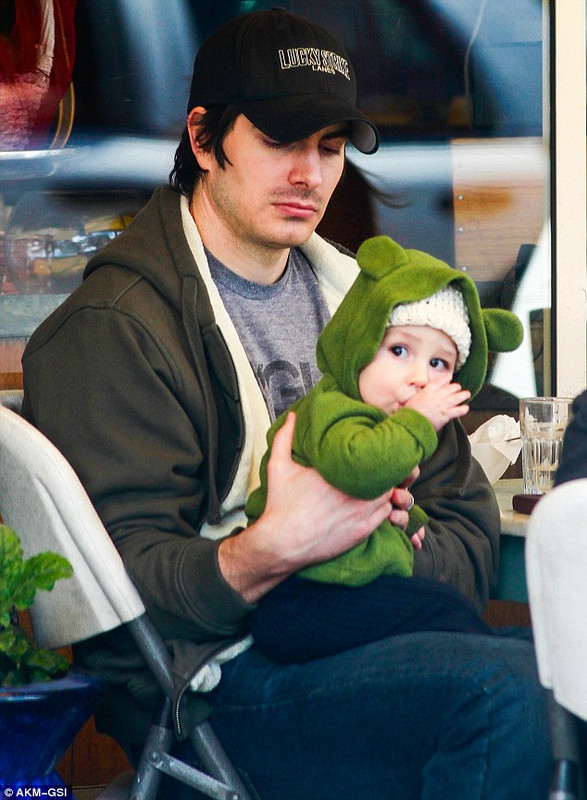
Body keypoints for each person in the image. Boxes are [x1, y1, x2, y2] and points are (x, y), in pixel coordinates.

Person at [21, 8, 551, 799]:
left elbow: (465, 520)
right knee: (511, 696)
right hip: (213, 688)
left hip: (374, 629)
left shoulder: (370, 309)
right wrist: (270, 551)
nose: (309, 174)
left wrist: (373, 550)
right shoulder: (116, 329)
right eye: (279, 141)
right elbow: (114, 599)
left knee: (553, 678)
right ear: (203, 140)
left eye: (330, 148)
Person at [246, 234, 524, 663]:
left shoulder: (385, 422)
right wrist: (419, 422)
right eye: (399, 350)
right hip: (302, 599)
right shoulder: (333, 408)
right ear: (359, 346)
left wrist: (409, 523)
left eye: (438, 364)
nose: (419, 377)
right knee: (450, 617)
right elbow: (357, 467)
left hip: (348, 587)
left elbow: (385, 496)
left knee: (509, 644)